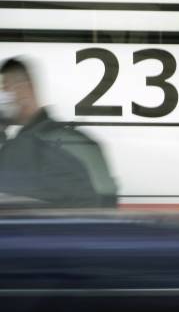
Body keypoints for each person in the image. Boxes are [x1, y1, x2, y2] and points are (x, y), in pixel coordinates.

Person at [0, 58, 117, 208]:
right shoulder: (73, 140)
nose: (2, 99)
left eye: (4, 90)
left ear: (23, 91)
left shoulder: (28, 148)